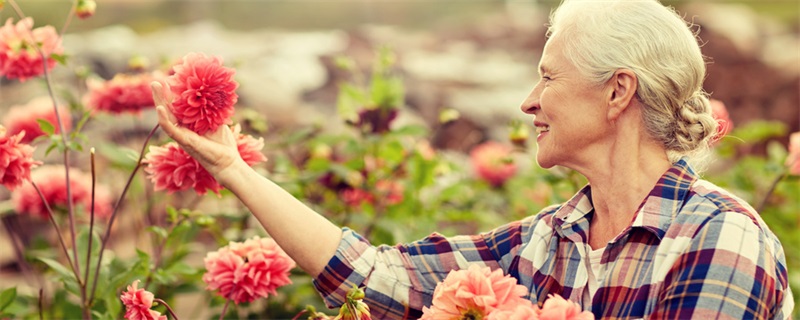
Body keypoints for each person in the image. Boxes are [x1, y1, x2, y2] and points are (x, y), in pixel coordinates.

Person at [151, 0, 794, 318]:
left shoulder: (721, 239)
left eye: (548, 78)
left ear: (617, 92)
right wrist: (232, 167)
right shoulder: (548, 239)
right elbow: (375, 277)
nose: (527, 102)